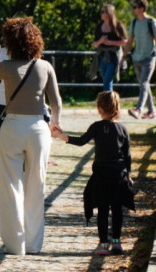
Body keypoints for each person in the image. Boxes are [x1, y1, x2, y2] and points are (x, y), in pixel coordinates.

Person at [0, 17, 62, 256]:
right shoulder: (45, 67)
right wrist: (55, 125)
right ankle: (34, 244)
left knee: (11, 185)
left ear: (10, 43)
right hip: (38, 130)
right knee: (37, 184)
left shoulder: (5, 67)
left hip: (12, 127)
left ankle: (15, 244)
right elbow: (56, 102)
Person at [51, 91, 136, 256]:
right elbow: (128, 155)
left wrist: (60, 136)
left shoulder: (96, 127)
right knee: (117, 209)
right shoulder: (123, 129)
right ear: (117, 107)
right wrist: (129, 175)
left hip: (101, 175)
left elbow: (81, 141)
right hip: (119, 175)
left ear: (99, 108)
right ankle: (117, 242)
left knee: (103, 210)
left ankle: (104, 243)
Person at [121, 0, 156, 119]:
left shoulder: (152, 22)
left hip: (149, 58)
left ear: (142, 8)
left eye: (135, 7)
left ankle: (138, 109)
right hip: (136, 58)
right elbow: (129, 41)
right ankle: (151, 111)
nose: (133, 9)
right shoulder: (134, 23)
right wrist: (123, 57)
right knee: (144, 84)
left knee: (143, 83)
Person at [88, 4, 127, 91]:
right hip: (102, 56)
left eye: (103, 12)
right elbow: (95, 44)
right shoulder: (99, 27)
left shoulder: (118, 26)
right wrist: (100, 41)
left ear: (109, 13)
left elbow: (124, 41)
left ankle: (108, 101)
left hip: (113, 56)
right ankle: (109, 100)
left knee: (107, 80)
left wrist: (110, 43)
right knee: (105, 79)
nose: (101, 14)